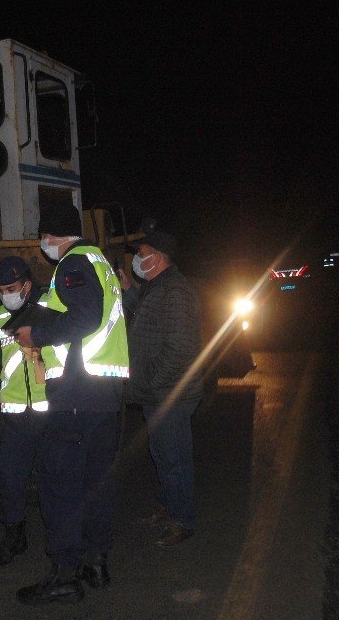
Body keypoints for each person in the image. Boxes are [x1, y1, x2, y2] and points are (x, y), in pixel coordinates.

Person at [13, 202, 129, 605]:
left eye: (43, 237)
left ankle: (64, 574)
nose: (43, 245)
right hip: (104, 393)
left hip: (78, 395)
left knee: (60, 484)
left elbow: (85, 319)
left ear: (52, 235)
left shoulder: (74, 264)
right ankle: (95, 563)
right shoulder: (100, 261)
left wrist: (36, 334)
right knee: (96, 481)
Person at [118, 229, 203, 547]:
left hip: (171, 393)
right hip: (160, 392)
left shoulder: (176, 291)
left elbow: (179, 350)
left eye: (141, 253)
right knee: (163, 453)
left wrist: (148, 381)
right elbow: (144, 315)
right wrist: (128, 290)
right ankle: (168, 507)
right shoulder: (158, 287)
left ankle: (182, 520)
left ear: (158, 257)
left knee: (173, 457)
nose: (137, 259)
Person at [0, 256, 50, 567]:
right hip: (18, 418)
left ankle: (63, 540)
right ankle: (15, 537)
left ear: (26, 285)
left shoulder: (51, 307)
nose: (4, 295)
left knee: (55, 479)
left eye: (10, 288)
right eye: (0, 290)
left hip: (50, 413)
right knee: (9, 474)